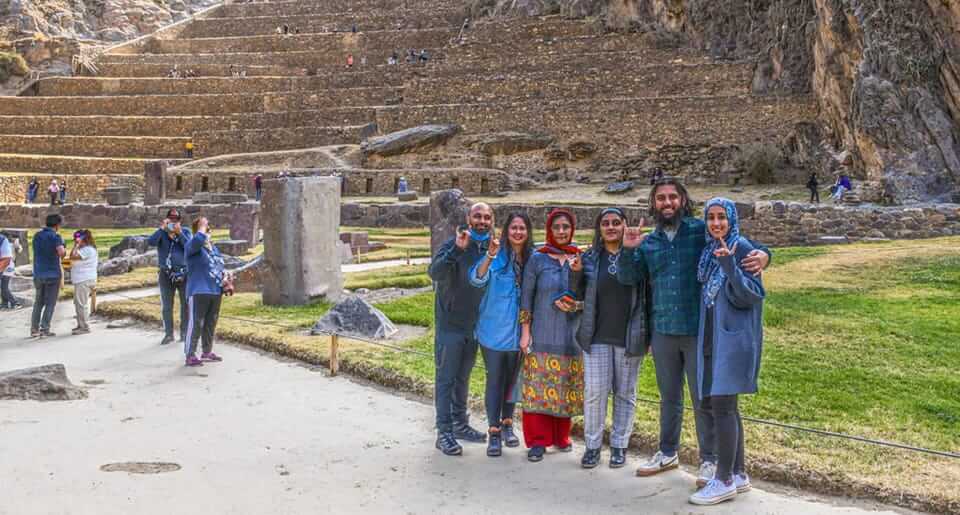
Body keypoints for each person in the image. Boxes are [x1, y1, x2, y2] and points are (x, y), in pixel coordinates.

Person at [618, 178, 770, 486]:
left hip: (698, 331)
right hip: (663, 329)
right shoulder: (649, 243)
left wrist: (766, 253)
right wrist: (627, 250)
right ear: (654, 204)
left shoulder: (699, 232)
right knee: (669, 396)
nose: (667, 202)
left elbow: (736, 241)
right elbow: (628, 277)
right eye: (661, 198)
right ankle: (667, 451)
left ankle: (709, 459)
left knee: (704, 399)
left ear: (683, 201)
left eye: (673, 197)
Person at [688, 197, 765, 505]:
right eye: (711, 217)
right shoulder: (708, 250)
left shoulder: (742, 248)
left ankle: (723, 479)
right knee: (727, 406)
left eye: (722, 217)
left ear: (732, 220)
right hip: (713, 336)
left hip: (732, 341)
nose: (716, 223)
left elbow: (751, 297)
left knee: (722, 406)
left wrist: (730, 266)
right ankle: (739, 472)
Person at [569, 207, 648, 469]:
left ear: (625, 225)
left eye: (616, 222)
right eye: (606, 223)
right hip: (597, 335)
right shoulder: (590, 257)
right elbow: (575, 293)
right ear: (599, 229)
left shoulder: (639, 256)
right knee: (595, 393)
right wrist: (576, 272)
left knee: (625, 393)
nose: (611, 227)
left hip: (628, 334)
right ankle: (592, 446)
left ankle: (619, 445)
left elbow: (648, 293)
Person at [428, 202, 494, 455]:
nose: (482, 221)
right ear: (469, 217)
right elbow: (435, 272)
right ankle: (443, 431)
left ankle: (459, 423)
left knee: (462, 378)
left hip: (473, 326)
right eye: (478, 216)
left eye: (487, 217)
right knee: (446, 379)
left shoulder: (489, 247)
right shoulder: (455, 243)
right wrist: (456, 249)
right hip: (450, 325)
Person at [518, 208, 585, 462]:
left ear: (572, 229)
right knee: (538, 387)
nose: (561, 231)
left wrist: (575, 304)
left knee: (564, 385)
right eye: (556, 227)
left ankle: (561, 437)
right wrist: (525, 332)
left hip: (570, 335)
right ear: (549, 229)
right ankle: (538, 441)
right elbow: (527, 297)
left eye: (565, 227)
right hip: (542, 332)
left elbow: (587, 296)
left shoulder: (579, 257)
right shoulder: (538, 259)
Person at [469, 212, 533, 457]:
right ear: (507, 231)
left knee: (512, 380)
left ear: (528, 232)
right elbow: (476, 278)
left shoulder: (532, 259)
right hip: (494, 329)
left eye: (522, 228)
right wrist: (490, 255)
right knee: (496, 379)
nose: (518, 232)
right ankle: (493, 430)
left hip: (519, 332)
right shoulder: (496, 257)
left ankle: (507, 423)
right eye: (513, 228)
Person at [184, 217, 228, 367]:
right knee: (196, 323)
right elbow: (198, 240)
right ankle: (190, 354)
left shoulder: (213, 248)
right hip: (198, 291)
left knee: (210, 323)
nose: (209, 231)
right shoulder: (192, 246)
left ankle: (207, 351)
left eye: (209, 229)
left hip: (215, 290)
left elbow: (219, 265)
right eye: (206, 228)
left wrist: (227, 279)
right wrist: (201, 227)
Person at [148, 208, 192, 346]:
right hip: (165, 274)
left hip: (183, 273)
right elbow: (151, 242)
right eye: (170, 218)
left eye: (176, 219)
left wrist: (179, 234)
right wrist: (162, 228)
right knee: (167, 305)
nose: (173, 221)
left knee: (185, 305)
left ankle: (184, 333)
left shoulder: (185, 232)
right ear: (166, 219)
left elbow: (190, 247)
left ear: (180, 220)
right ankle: (169, 333)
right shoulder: (161, 233)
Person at [31, 213, 66, 338]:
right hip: (52, 273)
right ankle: (45, 328)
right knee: (50, 303)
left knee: (38, 302)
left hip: (38, 272)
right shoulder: (56, 237)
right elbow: (61, 252)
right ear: (57, 225)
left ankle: (34, 329)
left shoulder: (37, 235)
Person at [69, 229, 98, 335]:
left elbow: (72, 256)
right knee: (79, 303)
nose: (75, 241)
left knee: (81, 304)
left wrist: (76, 245)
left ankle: (84, 327)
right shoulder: (87, 249)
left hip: (84, 279)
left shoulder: (87, 249)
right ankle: (81, 325)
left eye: (77, 238)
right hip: (83, 279)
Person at [0, 232, 20, 309]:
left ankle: (15, 303)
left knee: (4, 287)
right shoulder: (8, 243)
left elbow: (7, 259)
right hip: (6, 265)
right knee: (3, 287)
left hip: (8, 267)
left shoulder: (7, 243)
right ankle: (4, 303)